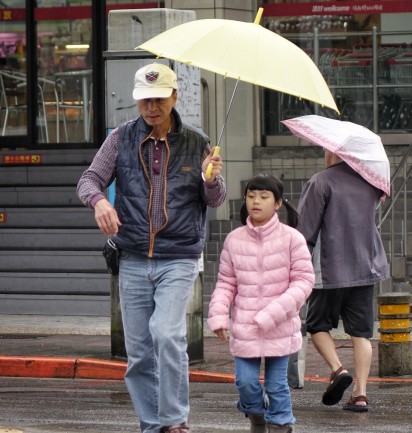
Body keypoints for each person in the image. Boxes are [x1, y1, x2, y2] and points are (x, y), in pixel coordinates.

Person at [76, 62, 226, 433]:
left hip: (178, 257)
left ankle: (174, 421)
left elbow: (216, 199)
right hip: (131, 258)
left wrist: (212, 177)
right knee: (139, 352)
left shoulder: (197, 142)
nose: (151, 108)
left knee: (166, 334)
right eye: (145, 101)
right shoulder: (121, 138)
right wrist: (100, 202)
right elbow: (89, 179)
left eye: (159, 99)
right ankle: (151, 425)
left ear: (175, 97)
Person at [207, 174, 314, 433]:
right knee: (245, 382)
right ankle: (256, 415)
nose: (256, 201)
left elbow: (303, 282)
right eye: (251, 196)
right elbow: (226, 283)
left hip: (280, 326)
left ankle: (280, 424)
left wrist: (273, 313)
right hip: (245, 327)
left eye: (264, 197)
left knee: (278, 386)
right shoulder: (234, 239)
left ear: (277, 203)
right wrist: (219, 315)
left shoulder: (292, 238)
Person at [296, 149, 389, 413]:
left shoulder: (320, 182)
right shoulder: (371, 181)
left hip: (330, 268)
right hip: (365, 267)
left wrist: (295, 262)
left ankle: (338, 369)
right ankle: (360, 394)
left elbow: (305, 229)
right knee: (361, 333)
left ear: (333, 152)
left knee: (317, 324)